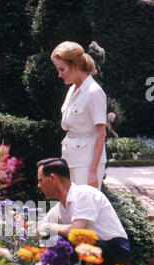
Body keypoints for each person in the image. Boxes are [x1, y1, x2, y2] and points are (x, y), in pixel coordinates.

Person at [37, 158, 131, 265]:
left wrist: (49, 226)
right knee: (51, 240)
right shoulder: (60, 207)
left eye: (40, 180)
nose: (38, 185)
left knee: (60, 242)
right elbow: (41, 228)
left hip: (116, 250)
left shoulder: (84, 194)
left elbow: (77, 231)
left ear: (52, 178)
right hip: (95, 248)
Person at [51, 41, 107, 189]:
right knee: (72, 207)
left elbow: (101, 134)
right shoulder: (72, 90)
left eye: (62, 69)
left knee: (86, 208)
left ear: (75, 65)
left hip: (87, 163)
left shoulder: (94, 92)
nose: (59, 74)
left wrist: (93, 172)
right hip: (70, 159)